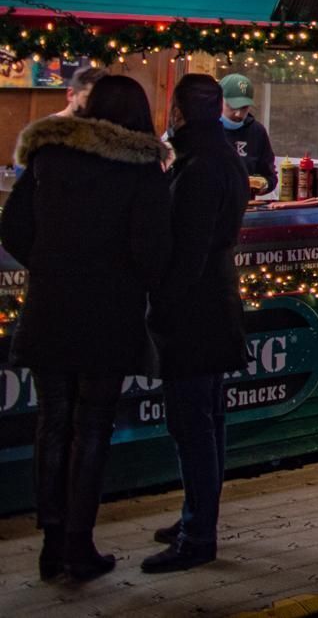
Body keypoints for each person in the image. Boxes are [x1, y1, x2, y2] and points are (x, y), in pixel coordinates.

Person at [2, 76, 171, 582]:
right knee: (92, 425)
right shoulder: (143, 170)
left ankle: (51, 545)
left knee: (52, 422)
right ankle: (79, 544)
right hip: (109, 314)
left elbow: (11, 228)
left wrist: (51, 266)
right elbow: (154, 251)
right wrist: (127, 279)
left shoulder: (48, 158)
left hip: (50, 307)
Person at [144, 73, 250, 573]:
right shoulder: (220, 155)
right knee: (207, 420)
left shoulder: (199, 164)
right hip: (216, 300)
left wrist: (163, 303)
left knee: (192, 423)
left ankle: (197, 534)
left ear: (179, 112)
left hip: (195, 308)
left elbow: (189, 246)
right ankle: (198, 514)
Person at [217, 73, 278, 193]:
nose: (238, 114)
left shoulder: (257, 132)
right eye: (232, 107)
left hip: (246, 207)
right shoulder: (203, 130)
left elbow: (270, 176)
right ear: (219, 100)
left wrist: (263, 185)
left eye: (244, 108)